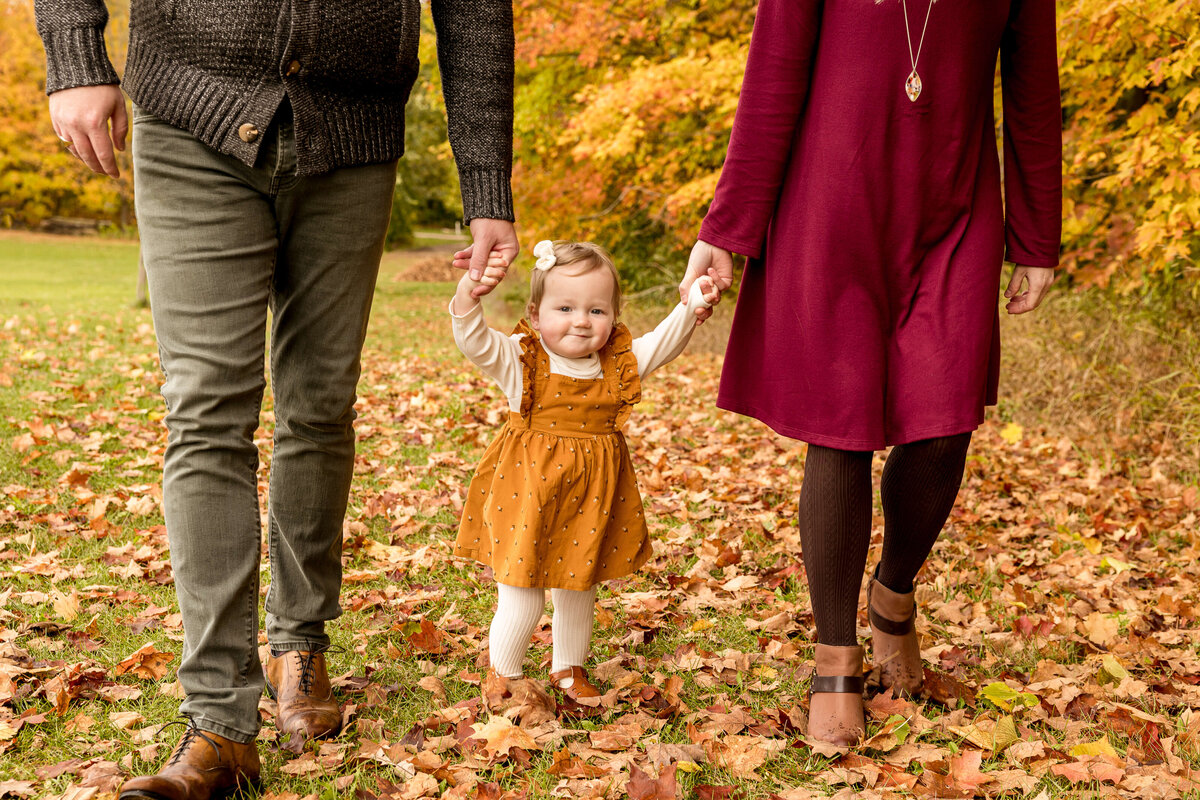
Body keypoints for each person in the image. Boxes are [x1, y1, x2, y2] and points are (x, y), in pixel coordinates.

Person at [34, 0, 518, 796]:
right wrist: (76, 53)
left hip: (353, 134)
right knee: (206, 415)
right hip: (192, 110)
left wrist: (486, 183)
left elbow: (477, 12)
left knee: (319, 406)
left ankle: (300, 643)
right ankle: (220, 723)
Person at [680, 0, 1062, 745]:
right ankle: (835, 655)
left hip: (956, 206)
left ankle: (894, 591)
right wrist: (727, 227)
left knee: (946, 424)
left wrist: (1037, 234)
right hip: (831, 199)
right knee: (842, 428)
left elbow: (1034, 93)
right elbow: (772, 76)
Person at [450, 240, 720, 704]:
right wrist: (468, 296)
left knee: (578, 586)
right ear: (535, 315)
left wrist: (692, 305)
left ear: (613, 316)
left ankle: (568, 669)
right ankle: (505, 676)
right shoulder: (522, 360)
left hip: (591, 496)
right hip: (527, 492)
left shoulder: (616, 363)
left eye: (597, 310)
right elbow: (475, 342)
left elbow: (662, 343)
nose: (581, 320)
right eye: (565, 308)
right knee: (523, 591)